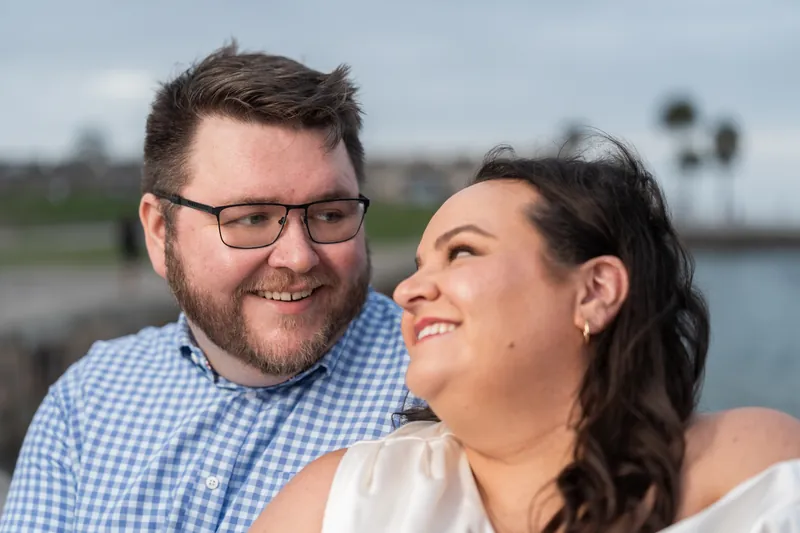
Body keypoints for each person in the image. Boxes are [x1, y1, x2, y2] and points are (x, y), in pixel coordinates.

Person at [251, 136, 800, 532]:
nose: (408, 291)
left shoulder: (752, 466)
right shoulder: (338, 502)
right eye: (419, 265)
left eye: (461, 252)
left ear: (595, 290)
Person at [0, 42, 411, 532]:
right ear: (158, 231)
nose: (299, 256)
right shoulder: (89, 401)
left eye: (329, 214)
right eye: (252, 218)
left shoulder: (440, 387)